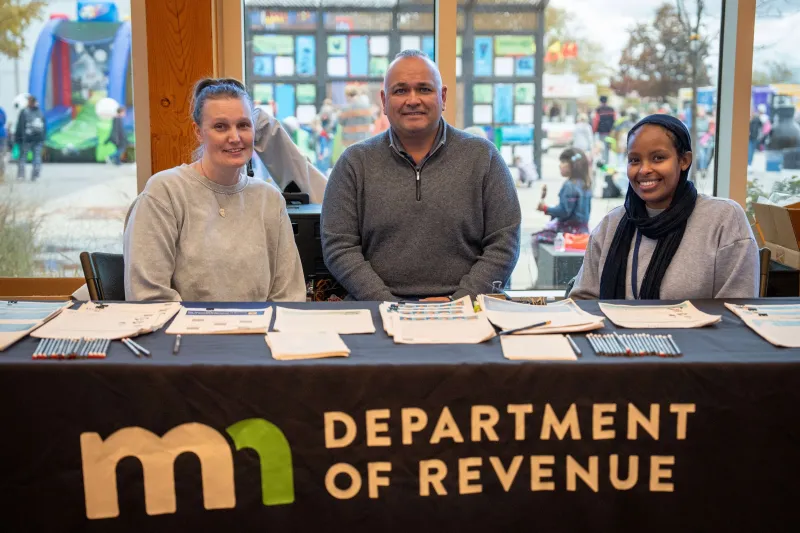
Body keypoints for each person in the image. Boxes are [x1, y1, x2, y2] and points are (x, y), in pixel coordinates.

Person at [321, 50, 521, 301]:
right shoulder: (354, 163)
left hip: (469, 310)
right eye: (400, 90)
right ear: (384, 101)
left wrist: (459, 302)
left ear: (443, 96)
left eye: (424, 89)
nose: (413, 100)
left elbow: (505, 243)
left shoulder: (483, 157)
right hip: (375, 311)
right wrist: (389, 305)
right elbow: (339, 247)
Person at [123, 77, 306, 302]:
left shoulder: (269, 199)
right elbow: (147, 295)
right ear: (198, 131)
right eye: (220, 126)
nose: (235, 137)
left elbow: (290, 295)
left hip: (257, 334)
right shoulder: (164, 192)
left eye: (243, 125)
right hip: (184, 334)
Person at [569, 114, 758, 300]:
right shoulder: (612, 224)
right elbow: (583, 300)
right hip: (616, 331)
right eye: (634, 160)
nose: (644, 170)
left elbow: (737, 311)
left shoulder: (724, 220)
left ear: (684, 160)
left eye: (658, 158)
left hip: (699, 332)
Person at [532, 148, 592, 261]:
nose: (560, 165)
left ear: (574, 166)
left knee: (535, 239)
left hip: (568, 232)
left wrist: (545, 208)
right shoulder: (585, 184)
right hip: (584, 230)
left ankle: (542, 275)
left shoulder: (569, 185)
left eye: (563, 162)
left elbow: (564, 212)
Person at [15, 95, 46, 181]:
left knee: (23, 157)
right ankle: (35, 175)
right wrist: (43, 138)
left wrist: (17, 138)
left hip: (27, 139)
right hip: (38, 138)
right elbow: (44, 126)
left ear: (29, 102)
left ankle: (21, 175)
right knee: (37, 157)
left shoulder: (24, 112)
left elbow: (20, 126)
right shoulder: (40, 112)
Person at [592, 95, 616, 163]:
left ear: (600, 101)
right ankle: (607, 161)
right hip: (610, 132)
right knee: (608, 147)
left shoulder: (598, 110)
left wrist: (594, 131)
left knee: (602, 147)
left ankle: (603, 162)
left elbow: (596, 121)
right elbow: (615, 120)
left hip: (602, 132)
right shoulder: (612, 109)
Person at [0, 106, 7, 180]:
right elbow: (4, 120)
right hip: (2, 134)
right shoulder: (1, 110)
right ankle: (1, 173)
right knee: (1, 155)